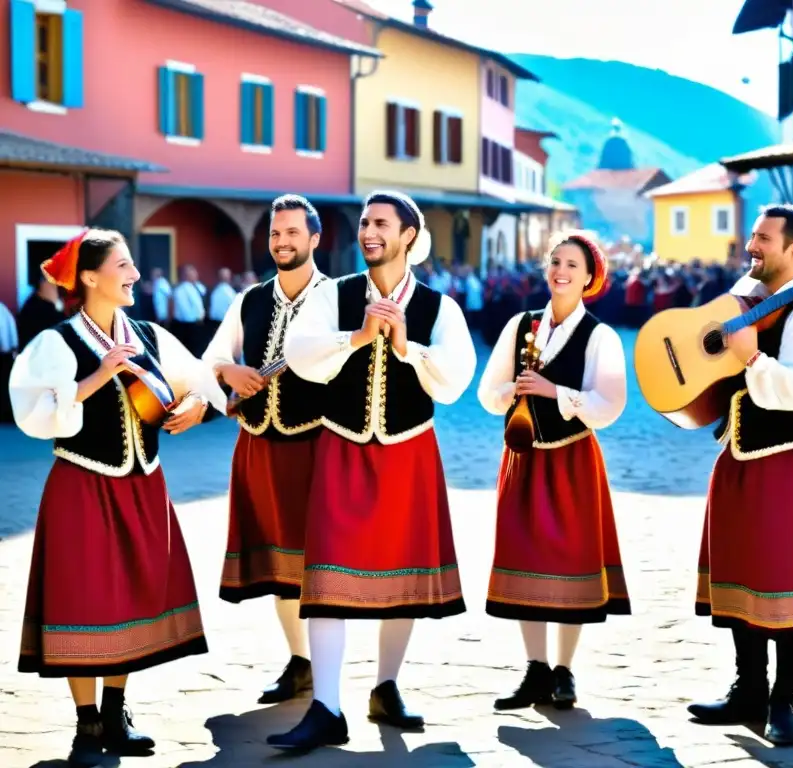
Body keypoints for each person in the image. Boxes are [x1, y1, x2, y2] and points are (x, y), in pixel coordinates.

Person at [8, 229, 226, 767]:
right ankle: (86, 725)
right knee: (81, 596)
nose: (134, 275)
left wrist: (198, 403)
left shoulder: (150, 334)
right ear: (89, 277)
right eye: (123, 266)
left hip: (143, 482)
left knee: (129, 594)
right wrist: (96, 377)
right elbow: (33, 416)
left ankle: (116, 711)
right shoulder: (57, 343)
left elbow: (200, 381)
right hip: (81, 484)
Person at [268, 191, 476, 750]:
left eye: (381, 223)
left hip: (409, 450)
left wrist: (409, 348)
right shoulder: (332, 296)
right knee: (328, 575)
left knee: (402, 577)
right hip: (341, 447)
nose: (368, 231)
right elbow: (302, 356)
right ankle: (326, 707)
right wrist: (355, 338)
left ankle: (386, 687)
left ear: (409, 234)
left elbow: (455, 382)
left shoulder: (440, 307)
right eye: (364, 222)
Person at [686, 205, 793, 746]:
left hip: (784, 463)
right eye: (751, 235)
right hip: (736, 455)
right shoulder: (749, 297)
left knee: (785, 585)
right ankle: (747, 689)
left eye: (763, 238)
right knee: (737, 580)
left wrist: (753, 357)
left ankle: (783, 702)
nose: (751, 245)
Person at [477, 231, 630, 711]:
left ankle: (565, 671)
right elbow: (487, 392)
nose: (560, 270)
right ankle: (535, 669)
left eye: (572, 264)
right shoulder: (521, 325)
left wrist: (553, 391)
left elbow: (610, 406)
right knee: (525, 559)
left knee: (571, 561)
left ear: (589, 277)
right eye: (554, 261)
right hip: (523, 457)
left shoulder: (599, 335)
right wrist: (510, 393)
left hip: (571, 459)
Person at [202, 195, 328, 704]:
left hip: (318, 447)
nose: (282, 242)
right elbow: (212, 356)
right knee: (280, 568)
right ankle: (300, 662)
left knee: (319, 564)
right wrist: (228, 371)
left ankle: (327, 669)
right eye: (276, 234)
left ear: (315, 239)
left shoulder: (338, 298)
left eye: (293, 233)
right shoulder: (249, 299)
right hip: (258, 445)